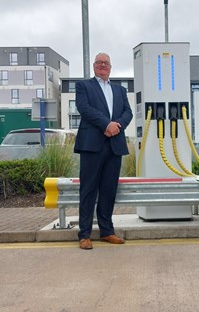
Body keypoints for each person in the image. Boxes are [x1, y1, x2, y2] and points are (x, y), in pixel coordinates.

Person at [74, 53, 132, 250]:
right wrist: (106, 124)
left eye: (106, 63)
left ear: (110, 67)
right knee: (88, 190)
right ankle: (85, 234)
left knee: (108, 190)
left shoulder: (119, 90)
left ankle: (107, 231)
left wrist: (117, 126)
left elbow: (128, 112)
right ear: (93, 66)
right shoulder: (84, 86)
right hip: (92, 144)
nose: (102, 65)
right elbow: (84, 108)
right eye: (99, 63)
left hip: (114, 144)